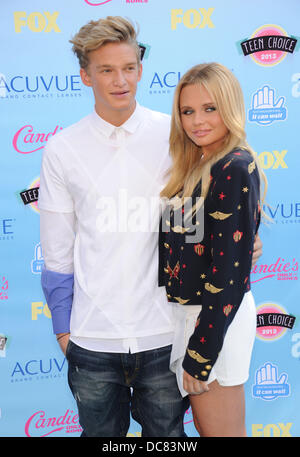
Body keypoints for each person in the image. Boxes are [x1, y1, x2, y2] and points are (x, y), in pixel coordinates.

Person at [38, 16, 262, 437]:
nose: (120, 80)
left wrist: (244, 244)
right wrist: (65, 331)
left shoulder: (178, 135)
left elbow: (212, 214)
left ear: (140, 69)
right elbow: (56, 251)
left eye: (128, 67)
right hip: (93, 341)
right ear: (86, 75)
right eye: (106, 69)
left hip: (166, 334)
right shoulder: (62, 149)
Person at [159, 62, 267, 437]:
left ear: (230, 107)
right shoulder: (199, 164)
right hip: (191, 317)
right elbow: (190, 249)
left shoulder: (234, 166)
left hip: (215, 320)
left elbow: (227, 275)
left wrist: (201, 354)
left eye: (210, 108)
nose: (197, 121)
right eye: (187, 111)